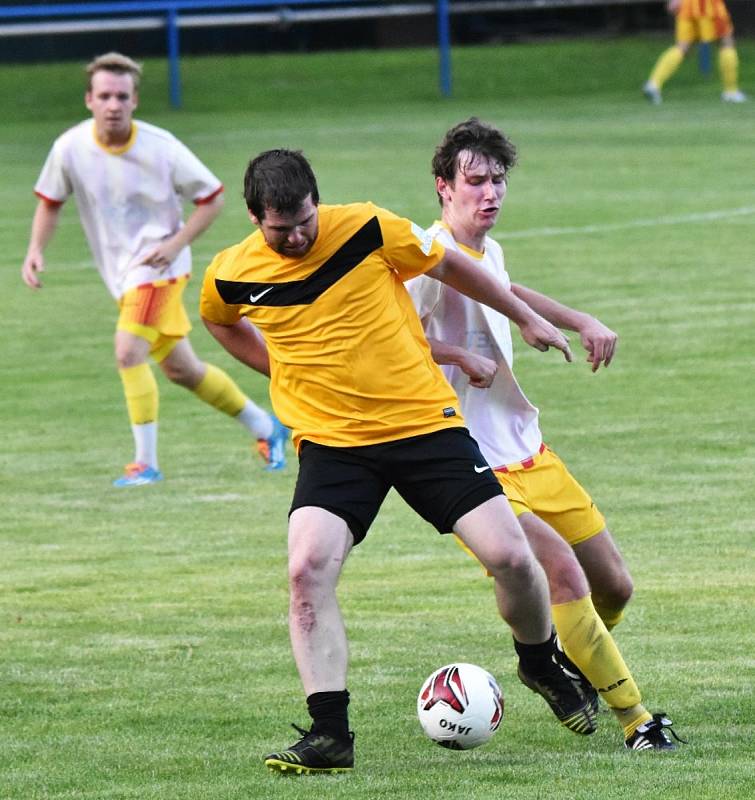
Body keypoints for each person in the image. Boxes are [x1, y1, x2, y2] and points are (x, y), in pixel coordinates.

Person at [199, 148, 596, 775]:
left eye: (304, 220)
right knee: (306, 573)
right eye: (281, 228)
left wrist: (524, 317)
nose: (297, 236)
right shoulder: (228, 274)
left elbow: (456, 267)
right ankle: (330, 734)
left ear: (316, 202)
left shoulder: (366, 226)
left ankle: (540, 661)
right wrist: (281, 371)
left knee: (512, 558)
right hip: (333, 443)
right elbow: (218, 320)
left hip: (421, 424)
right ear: (254, 218)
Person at [406, 117, 684, 751]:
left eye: (498, 180)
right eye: (474, 181)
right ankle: (637, 721)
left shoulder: (486, 248)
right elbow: (390, 339)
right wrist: (458, 356)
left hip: (528, 449)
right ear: (443, 186)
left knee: (615, 585)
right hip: (469, 464)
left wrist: (579, 318)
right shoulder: (424, 255)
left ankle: (557, 655)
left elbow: (504, 288)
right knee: (560, 572)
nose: (490, 193)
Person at [21, 52, 287, 486]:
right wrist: (35, 249)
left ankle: (145, 464)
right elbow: (50, 202)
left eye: (122, 96)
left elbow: (212, 197)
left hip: (160, 270)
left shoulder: (160, 147)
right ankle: (267, 428)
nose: (113, 104)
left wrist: (175, 244)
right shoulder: (69, 148)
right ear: (89, 99)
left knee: (128, 352)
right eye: (105, 95)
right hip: (123, 276)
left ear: (134, 100)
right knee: (182, 369)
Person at [643, 0, 747, 104]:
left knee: (682, 47)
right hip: (710, 6)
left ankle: (653, 83)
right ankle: (730, 91)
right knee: (726, 43)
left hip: (687, 6)